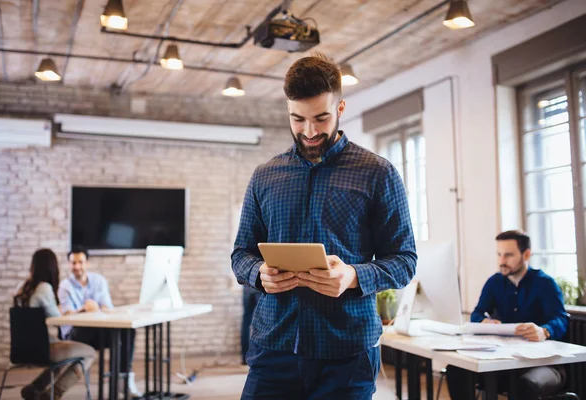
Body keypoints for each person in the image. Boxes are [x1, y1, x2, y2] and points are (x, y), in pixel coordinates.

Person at [231, 53, 417, 400]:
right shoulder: (265, 176)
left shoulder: (378, 173)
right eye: (298, 119)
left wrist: (353, 276)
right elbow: (241, 253)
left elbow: (405, 260)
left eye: (321, 117)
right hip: (274, 347)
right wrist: (258, 273)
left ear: (341, 108)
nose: (310, 131)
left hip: (347, 354)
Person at [446, 230, 570, 400]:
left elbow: (561, 319)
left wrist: (544, 331)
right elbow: (477, 313)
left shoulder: (545, 283)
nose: (501, 261)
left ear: (526, 254)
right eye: (499, 255)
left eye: (508, 255)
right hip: (505, 360)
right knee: (457, 370)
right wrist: (483, 321)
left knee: (526, 384)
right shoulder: (494, 282)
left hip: (545, 364)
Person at [57, 246, 141, 398]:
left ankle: (123, 378)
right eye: (73, 263)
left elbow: (107, 307)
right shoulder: (65, 286)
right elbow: (67, 315)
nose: (76, 266)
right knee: (96, 330)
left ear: (87, 263)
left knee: (127, 331)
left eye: (80, 262)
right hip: (75, 333)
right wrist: (84, 309)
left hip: (97, 330)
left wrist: (96, 309)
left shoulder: (99, 281)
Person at [15, 248, 96, 400]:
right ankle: (53, 394)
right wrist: (82, 310)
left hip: (21, 348)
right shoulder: (44, 288)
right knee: (90, 353)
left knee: (63, 354)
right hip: (42, 349)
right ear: (52, 267)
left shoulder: (23, 286)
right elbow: (59, 320)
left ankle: (34, 389)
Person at [241, 285, 262, 365]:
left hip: (247, 285)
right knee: (261, 322)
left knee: (246, 322)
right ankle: (258, 356)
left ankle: (244, 357)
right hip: (259, 286)